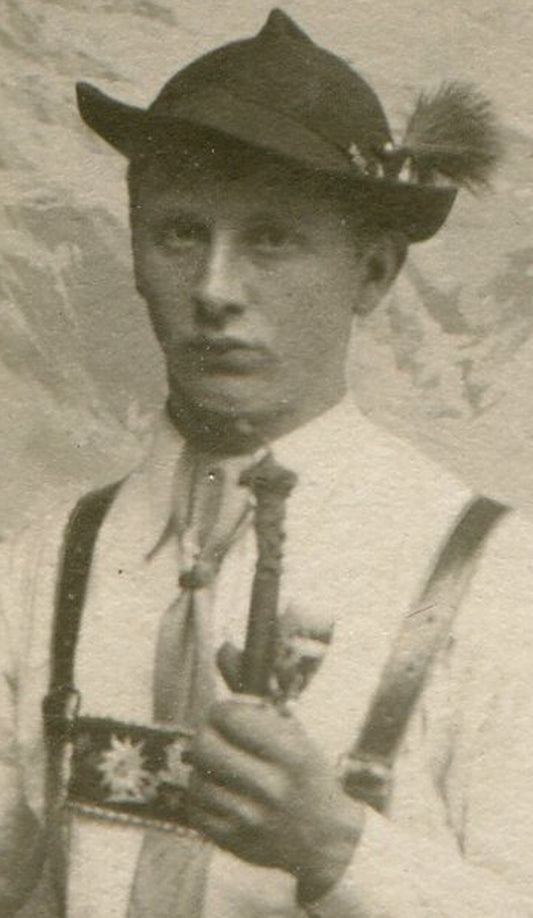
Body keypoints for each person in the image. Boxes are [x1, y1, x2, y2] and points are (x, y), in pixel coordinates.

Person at [2, 8, 533, 917]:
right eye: (179, 233)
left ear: (372, 272)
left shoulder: (489, 577)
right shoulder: (53, 559)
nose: (214, 290)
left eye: (271, 239)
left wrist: (339, 849)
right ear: (132, 252)